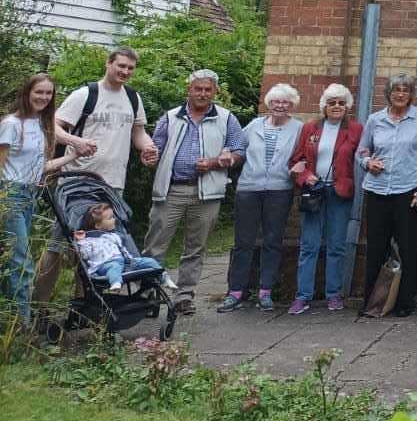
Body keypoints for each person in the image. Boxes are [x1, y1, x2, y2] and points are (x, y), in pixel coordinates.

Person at [35, 45, 157, 306]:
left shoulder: (133, 98)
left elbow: (138, 132)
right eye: (121, 65)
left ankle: (86, 305)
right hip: (76, 184)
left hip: (112, 186)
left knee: (98, 250)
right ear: (108, 64)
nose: (125, 71)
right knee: (57, 246)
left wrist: (146, 147)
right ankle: (38, 306)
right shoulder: (86, 94)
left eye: (130, 68)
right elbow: (52, 126)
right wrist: (75, 142)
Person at [144, 69, 246, 314]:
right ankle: (147, 295)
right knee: (155, 246)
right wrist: (149, 156)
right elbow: (154, 149)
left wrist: (217, 162)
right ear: (188, 90)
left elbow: (239, 151)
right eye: (198, 89)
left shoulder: (226, 118)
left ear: (215, 92)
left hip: (207, 193)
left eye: (207, 89)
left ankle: (184, 296)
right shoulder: (170, 117)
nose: (202, 93)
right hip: (171, 190)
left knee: (196, 248)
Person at [219, 84, 304, 313]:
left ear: (291, 106)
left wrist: (302, 164)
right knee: (243, 242)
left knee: (273, 241)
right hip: (248, 188)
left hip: (279, 189)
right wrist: (228, 152)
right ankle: (236, 291)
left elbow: (305, 153)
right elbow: (237, 146)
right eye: (276, 101)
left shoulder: (298, 128)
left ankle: (266, 291)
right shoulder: (254, 125)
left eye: (285, 102)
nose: (280, 106)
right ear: (269, 103)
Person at [357, 74, 417, 318]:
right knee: (376, 249)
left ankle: (404, 302)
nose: (400, 94)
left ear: (411, 94)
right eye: (396, 90)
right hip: (378, 191)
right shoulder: (375, 119)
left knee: (407, 248)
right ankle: (372, 302)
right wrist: (368, 162)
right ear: (388, 93)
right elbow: (361, 151)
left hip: (407, 192)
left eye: (405, 90)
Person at [1, 73, 72, 322]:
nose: (43, 97)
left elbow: (41, 166)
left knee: (12, 259)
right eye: (38, 92)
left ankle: (9, 317)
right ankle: (23, 325)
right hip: (11, 194)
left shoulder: (42, 124)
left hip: (31, 194)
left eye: (48, 93)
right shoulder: (12, 124)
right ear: (27, 93)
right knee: (22, 262)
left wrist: (73, 155)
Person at [288, 83, 362, 314]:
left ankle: (334, 294)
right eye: (332, 103)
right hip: (315, 192)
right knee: (309, 245)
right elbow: (295, 161)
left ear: (347, 106)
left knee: (337, 246)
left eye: (341, 102)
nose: (337, 106)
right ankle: (303, 296)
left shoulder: (356, 129)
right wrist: (307, 176)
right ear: (324, 106)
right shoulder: (310, 127)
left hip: (340, 193)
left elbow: (362, 156)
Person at [74, 203, 165, 291]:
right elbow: (84, 255)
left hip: (124, 263)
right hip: (104, 266)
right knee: (114, 266)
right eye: (111, 218)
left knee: (150, 261)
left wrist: (130, 260)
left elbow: (123, 250)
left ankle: (164, 278)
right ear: (98, 225)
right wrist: (81, 240)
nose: (115, 220)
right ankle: (116, 282)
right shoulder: (88, 241)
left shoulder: (114, 236)